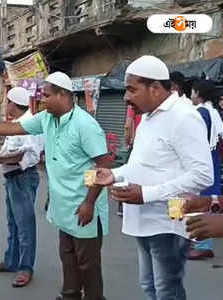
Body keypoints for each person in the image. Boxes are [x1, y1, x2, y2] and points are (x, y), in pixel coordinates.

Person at [0, 71, 110, 300]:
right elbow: (14, 128)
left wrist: (89, 202)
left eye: (47, 96)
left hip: (84, 205)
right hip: (63, 204)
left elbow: (102, 164)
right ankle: (70, 294)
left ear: (63, 95)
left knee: (88, 264)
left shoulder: (85, 125)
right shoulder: (47, 119)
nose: (42, 100)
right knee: (68, 255)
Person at [95, 55, 213, 300]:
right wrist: (114, 174)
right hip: (144, 219)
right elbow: (141, 163)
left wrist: (146, 194)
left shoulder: (184, 117)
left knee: (166, 290)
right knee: (149, 286)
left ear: (156, 89)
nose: (126, 97)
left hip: (167, 220)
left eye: (131, 89)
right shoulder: (149, 117)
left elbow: (202, 175)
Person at [0, 87, 43, 287]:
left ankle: (26, 268)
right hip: (12, 177)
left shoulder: (29, 124)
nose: (5, 105)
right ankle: (11, 261)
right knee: (13, 223)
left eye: (7, 102)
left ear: (14, 104)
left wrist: (12, 159)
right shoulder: (15, 124)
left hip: (23, 177)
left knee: (25, 225)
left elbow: (33, 154)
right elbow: (6, 151)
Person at [187, 79, 223, 260]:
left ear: (198, 93)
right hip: (214, 160)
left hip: (201, 160)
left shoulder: (200, 113)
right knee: (210, 198)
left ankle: (202, 244)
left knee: (199, 200)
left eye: (192, 91)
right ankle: (202, 243)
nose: (190, 95)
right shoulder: (215, 112)